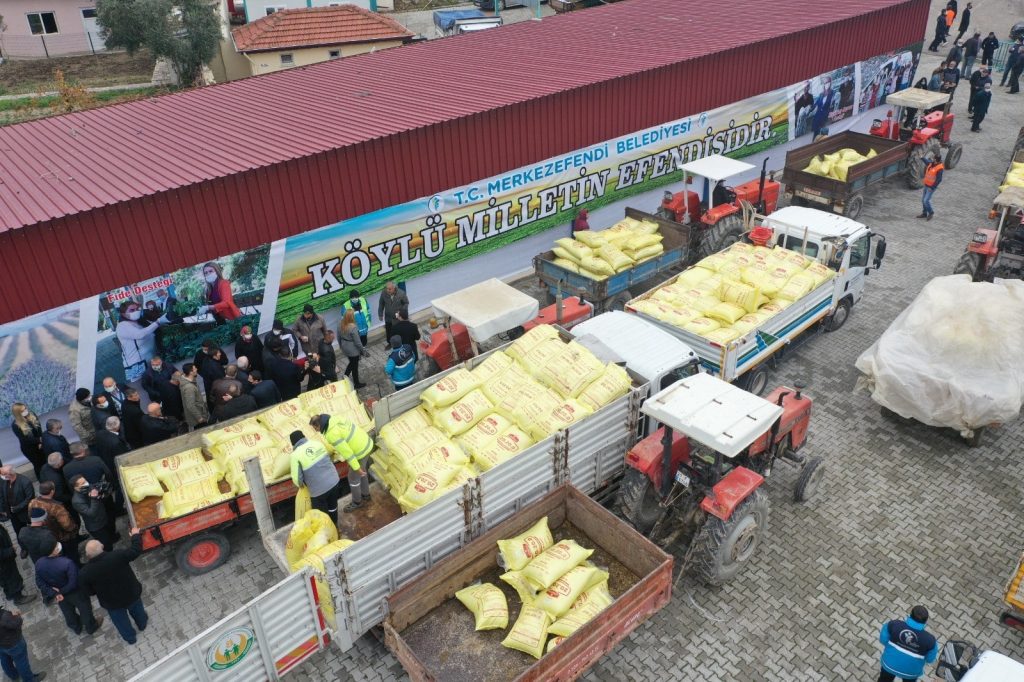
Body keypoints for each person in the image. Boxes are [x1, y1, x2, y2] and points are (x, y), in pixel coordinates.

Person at [79, 528, 148, 645]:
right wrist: (135, 536)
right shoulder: (118, 555)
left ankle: (130, 638)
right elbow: (136, 550)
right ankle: (142, 625)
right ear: (101, 547)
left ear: (88, 555)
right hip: (131, 593)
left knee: (121, 622)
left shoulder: (84, 573)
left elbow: (89, 592)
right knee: (138, 611)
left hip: (112, 603)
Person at [35, 538, 101, 636]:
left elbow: (39, 582)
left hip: (59, 595)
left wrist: (55, 593)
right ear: (53, 551)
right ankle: (91, 626)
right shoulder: (67, 563)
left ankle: (76, 627)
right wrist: (61, 592)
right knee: (85, 609)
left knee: (68, 612)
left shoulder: (39, 563)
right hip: (75, 592)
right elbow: (74, 582)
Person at [310, 414, 372, 512]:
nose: (315, 430)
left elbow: (347, 452)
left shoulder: (331, 434)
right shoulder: (334, 419)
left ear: (318, 425)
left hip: (360, 451)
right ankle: (366, 495)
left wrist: (356, 467)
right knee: (362, 472)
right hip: (366, 442)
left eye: (315, 428)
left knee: (353, 477)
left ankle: (357, 502)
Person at [878, 605, 938, 682]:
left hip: (889, 665)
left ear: (910, 615)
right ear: (925, 622)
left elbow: (883, 640)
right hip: (911, 673)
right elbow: (930, 659)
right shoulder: (931, 641)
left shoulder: (893, 624)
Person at [288, 431, 340, 520]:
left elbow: (297, 479)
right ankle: (335, 525)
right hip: (334, 481)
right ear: (304, 436)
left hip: (318, 490)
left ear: (293, 443)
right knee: (333, 506)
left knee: (321, 515)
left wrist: (301, 485)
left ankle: (327, 531)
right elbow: (328, 458)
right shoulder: (317, 443)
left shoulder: (295, 455)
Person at [28, 483, 79, 566]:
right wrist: (74, 528)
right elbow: (67, 525)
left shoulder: (33, 502)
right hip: (63, 537)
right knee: (72, 555)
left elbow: (31, 517)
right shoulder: (56, 507)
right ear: (52, 491)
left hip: (48, 536)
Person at [115, 301, 160, 382]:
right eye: (132, 310)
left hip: (150, 361)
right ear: (123, 314)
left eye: (137, 309)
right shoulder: (122, 326)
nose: (136, 312)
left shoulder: (138, 322)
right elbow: (140, 335)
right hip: (137, 364)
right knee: (144, 387)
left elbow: (149, 331)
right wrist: (158, 322)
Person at [0, 603, 45, 681]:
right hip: (13, 643)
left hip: (1, 645)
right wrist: (17, 615)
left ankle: (14, 676)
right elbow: (16, 623)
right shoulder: (4, 616)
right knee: (21, 662)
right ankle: (29, 680)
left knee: (5, 660)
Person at [70, 475, 114, 551]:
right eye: (83, 483)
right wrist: (93, 498)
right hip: (96, 527)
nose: (86, 483)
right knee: (106, 544)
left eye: (85, 481)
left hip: (103, 518)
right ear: (76, 487)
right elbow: (91, 513)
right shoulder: (77, 501)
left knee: (109, 537)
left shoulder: (88, 487)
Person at [93, 416, 129, 509]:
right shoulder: (116, 442)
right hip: (115, 467)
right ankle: (119, 507)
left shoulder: (99, 433)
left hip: (106, 462)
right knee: (120, 488)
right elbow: (122, 457)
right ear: (117, 427)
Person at [0, 468, 34, 558]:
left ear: (9, 474)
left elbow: (30, 498)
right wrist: (4, 509)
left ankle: (34, 545)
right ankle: (24, 547)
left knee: (31, 529)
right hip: (13, 514)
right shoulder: (5, 482)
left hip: (24, 513)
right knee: (17, 531)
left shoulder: (25, 482)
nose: (1, 476)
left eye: (3, 474)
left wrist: (18, 507)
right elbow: (3, 496)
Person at [0, 525, 33, 607]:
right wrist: (10, 550)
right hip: (3, 564)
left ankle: (9, 594)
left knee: (8, 579)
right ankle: (18, 598)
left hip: (6, 560)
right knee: (11, 578)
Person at [338, 310, 367, 390]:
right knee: (354, 366)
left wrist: (341, 346)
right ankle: (356, 383)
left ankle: (345, 376)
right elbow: (358, 342)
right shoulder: (353, 327)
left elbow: (338, 336)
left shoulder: (341, 323)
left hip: (345, 346)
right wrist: (363, 351)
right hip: (352, 349)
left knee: (352, 362)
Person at [177, 364, 210, 430]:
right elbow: (190, 405)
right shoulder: (189, 388)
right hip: (199, 417)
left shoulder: (189, 380)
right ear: (191, 372)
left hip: (199, 412)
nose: (197, 369)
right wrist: (199, 417)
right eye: (195, 369)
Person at [919, 154, 944, 221]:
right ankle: (924, 213)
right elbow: (927, 162)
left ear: (936, 160)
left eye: (934, 158)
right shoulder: (931, 163)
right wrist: (922, 157)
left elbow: (939, 180)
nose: (932, 159)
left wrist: (932, 187)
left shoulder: (940, 168)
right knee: (923, 200)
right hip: (926, 185)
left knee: (926, 200)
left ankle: (931, 212)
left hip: (931, 187)